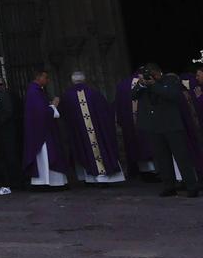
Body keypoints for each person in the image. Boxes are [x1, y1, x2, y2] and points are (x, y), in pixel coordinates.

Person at [132, 64, 202, 197]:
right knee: (162, 159)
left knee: (182, 158)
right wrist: (141, 84)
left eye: (150, 74)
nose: (149, 77)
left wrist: (153, 85)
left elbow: (173, 96)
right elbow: (133, 95)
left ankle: (192, 186)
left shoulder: (170, 81)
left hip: (172, 126)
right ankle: (169, 186)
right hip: (154, 127)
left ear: (158, 73)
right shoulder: (143, 85)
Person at [61, 72, 127, 184]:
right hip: (98, 132)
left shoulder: (67, 96)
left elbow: (65, 115)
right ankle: (104, 178)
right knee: (101, 148)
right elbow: (106, 112)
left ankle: (91, 178)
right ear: (84, 80)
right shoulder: (94, 93)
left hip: (81, 133)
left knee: (86, 150)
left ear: (72, 81)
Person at [24, 72, 70, 189]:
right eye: (46, 77)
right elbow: (41, 112)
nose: (48, 80)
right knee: (46, 155)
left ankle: (49, 182)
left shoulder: (37, 91)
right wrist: (53, 106)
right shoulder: (34, 92)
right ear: (38, 77)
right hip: (42, 133)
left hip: (42, 130)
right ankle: (47, 183)